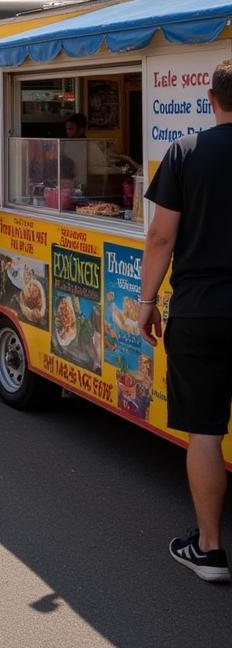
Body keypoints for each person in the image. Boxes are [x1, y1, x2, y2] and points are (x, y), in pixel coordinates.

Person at [139, 59, 232, 583]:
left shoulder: (186, 152)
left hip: (200, 310)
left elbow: (160, 238)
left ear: (211, 99)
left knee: (205, 431)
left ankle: (211, 549)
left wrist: (147, 300)